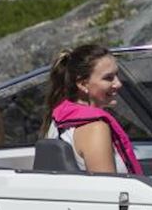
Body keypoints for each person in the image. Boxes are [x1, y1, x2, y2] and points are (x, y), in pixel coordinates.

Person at [40, 43, 143, 175]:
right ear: (83, 84)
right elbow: (106, 186)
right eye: (108, 78)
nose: (118, 84)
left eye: (117, 75)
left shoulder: (57, 121)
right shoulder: (95, 128)